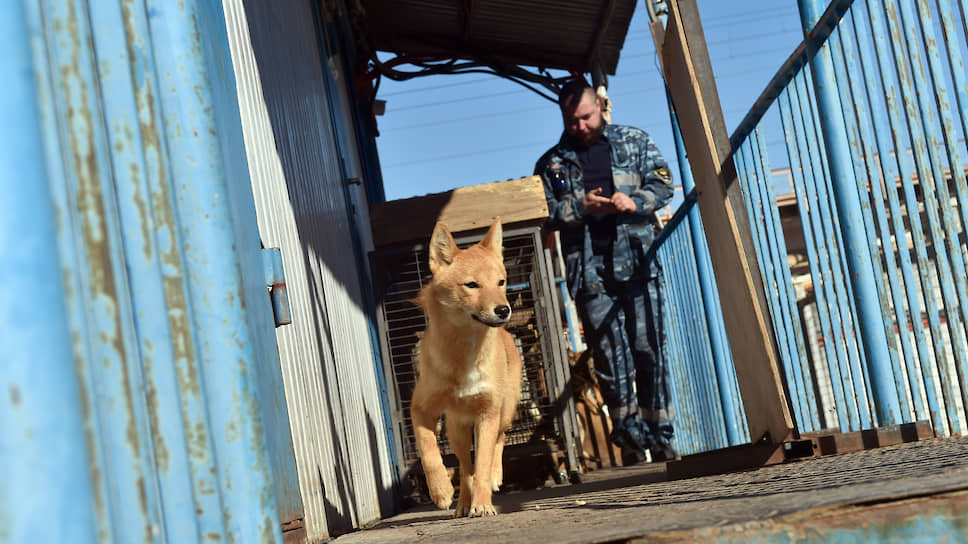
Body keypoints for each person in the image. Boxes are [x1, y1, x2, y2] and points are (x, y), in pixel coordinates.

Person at [534, 79, 677, 462]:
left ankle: (660, 436)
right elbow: (543, 212)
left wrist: (635, 201)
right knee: (611, 359)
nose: (580, 126)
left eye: (586, 117)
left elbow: (664, 184)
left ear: (599, 106)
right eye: (572, 120)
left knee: (649, 350)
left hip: (638, 265)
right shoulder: (551, 163)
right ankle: (629, 440)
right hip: (590, 273)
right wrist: (580, 206)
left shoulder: (635, 141)